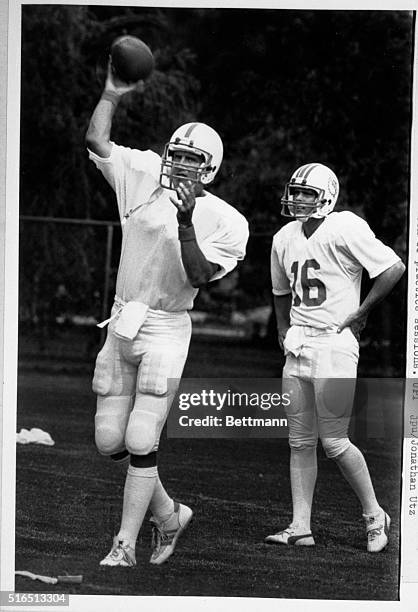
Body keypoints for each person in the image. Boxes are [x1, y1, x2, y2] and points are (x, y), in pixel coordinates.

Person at [85, 63, 249, 568]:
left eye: (190, 160)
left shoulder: (225, 220)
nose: (178, 165)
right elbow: (96, 141)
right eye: (173, 155)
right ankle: (171, 513)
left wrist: (183, 222)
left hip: (164, 327)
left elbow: (200, 277)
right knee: (110, 441)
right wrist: (111, 93)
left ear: (210, 168)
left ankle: (124, 544)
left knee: (140, 437)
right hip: (121, 319)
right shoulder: (139, 175)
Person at [268, 163, 405, 552]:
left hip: (334, 343)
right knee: (299, 441)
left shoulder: (344, 226)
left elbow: (392, 267)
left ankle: (375, 514)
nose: (296, 199)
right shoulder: (283, 237)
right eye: (293, 192)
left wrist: (361, 312)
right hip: (298, 344)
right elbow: (280, 289)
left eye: (306, 194)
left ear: (326, 196)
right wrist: (281, 327)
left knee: (334, 442)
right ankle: (300, 526)